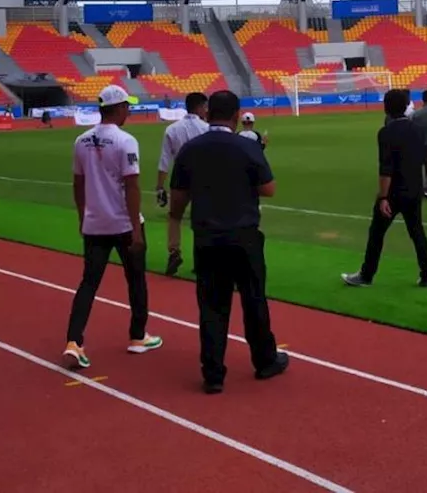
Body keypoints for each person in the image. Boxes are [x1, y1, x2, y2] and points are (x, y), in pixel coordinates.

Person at [166, 90, 289, 394]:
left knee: (212, 305)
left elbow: (178, 200)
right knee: (253, 299)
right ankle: (264, 360)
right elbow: (269, 188)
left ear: (207, 114)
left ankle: (213, 373)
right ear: (237, 116)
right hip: (243, 235)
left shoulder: (191, 149)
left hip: (207, 237)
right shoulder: (245, 146)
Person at [62, 86, 163, 369]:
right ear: (118, 108)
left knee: (88, 283)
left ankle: (73, 340)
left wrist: (83, 217)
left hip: (95, 224)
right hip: (122, 222)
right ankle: (137, 336)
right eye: (126, 107)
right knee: (136, 280)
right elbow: (132, 186)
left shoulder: (80, 141)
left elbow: (78, 184)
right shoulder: (126, 141)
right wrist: (134, 227)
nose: (129, 111)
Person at [342, 89, 427, 288]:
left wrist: (383, 196)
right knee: (417, 232)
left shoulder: (386, 132)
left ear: (386, 107)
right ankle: (426, 275)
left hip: (393, 192)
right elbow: (423, 158)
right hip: (414, 188)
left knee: (376, 233)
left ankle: (366, 275)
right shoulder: (417, 129)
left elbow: (386, 168)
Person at [156, 91, 209, 210]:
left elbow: (164, 161)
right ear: (200, 107)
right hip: (201, 175)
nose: (206, 110)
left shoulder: (171, 129)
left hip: (179, 175)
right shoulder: (207, 128)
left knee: (175, 216)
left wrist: (160, 187)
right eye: (205, 107)